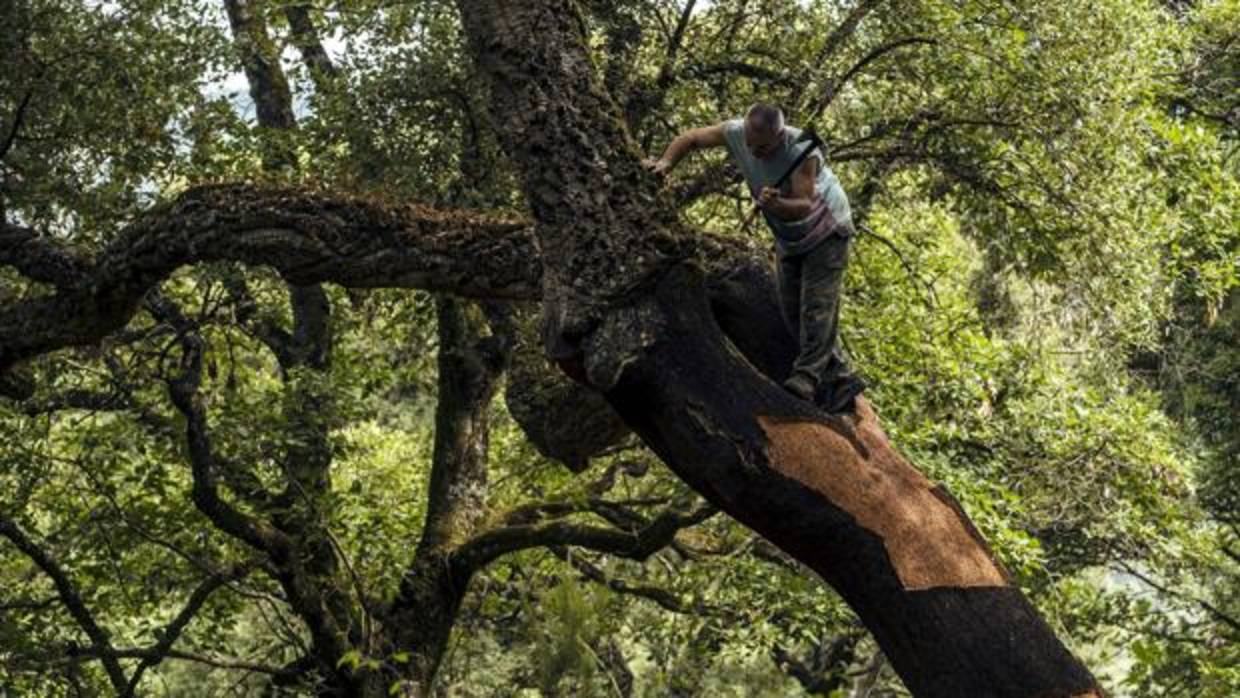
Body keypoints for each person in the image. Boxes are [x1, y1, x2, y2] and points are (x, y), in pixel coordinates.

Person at [643, 102, 866, 413]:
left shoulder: (802, 148)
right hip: (789, 237)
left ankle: (806, 379)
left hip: (827, 228)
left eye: (762, 147)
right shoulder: (737, 131)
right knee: (790, 308)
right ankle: (841, 378)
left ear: (779, 136)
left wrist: (776, 206)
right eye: (749, 142)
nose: (753, 150)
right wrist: (667, 162)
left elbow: (803, 204)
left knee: (817, 306)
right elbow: (692, 138)